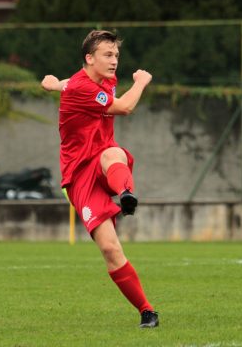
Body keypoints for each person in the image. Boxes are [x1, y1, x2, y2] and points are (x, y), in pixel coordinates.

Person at [41, 30, 158, 328]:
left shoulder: (100, 80)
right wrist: (142, 81)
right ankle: (147, 311)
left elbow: (65, 84)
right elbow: (125, 107)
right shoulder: (84, 88)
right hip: (79, 176)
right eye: (108, 54)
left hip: (104, 163)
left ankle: (126, 194)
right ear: (89, 58)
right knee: (110, 249)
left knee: (111, 153)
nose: (114, 60)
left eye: (116, 55)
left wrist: (53, 84)